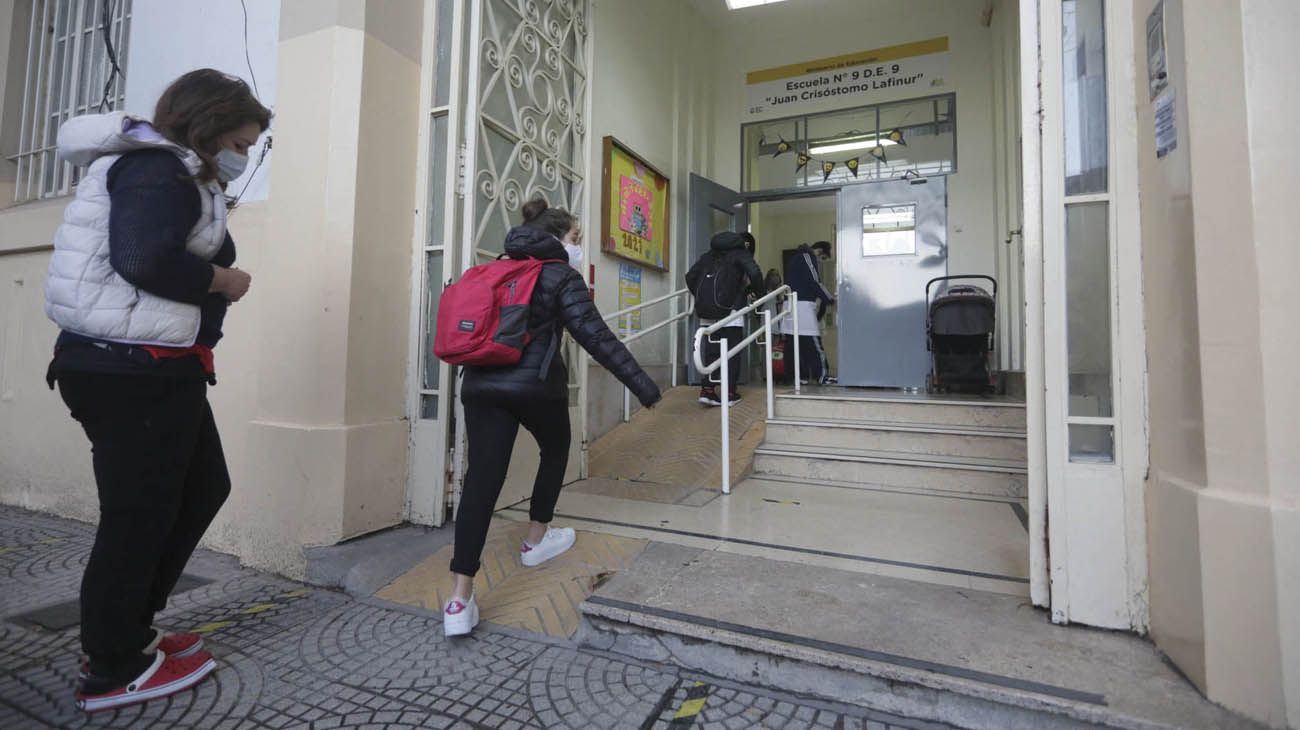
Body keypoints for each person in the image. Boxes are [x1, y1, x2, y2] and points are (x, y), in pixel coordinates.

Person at [43, 69, 271, 711]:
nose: (244, 156)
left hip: (152, 367)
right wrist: (223, 280)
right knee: (137, 515)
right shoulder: (157, 170)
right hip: (129, 371)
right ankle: (111, 667)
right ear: (208, 127)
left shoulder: (173, 173)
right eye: (242, 142)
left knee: (201, 487)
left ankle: (129, 632)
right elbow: (142, 260)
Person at [445, 200, 661, 636]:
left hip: (480, 386)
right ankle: (536, 540)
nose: (578, 247)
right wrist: (644, 387)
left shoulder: (494, 268)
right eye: (576, 239)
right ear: (558, 239)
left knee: (482, 481)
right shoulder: (560, 274)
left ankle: (458, 599)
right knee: (557, 447)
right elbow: (596, 337)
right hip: (533, 388)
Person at [686, 230, 763, 406]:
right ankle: (729, 393)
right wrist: (757, 293)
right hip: (731, 311)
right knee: (732, 352)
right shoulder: (740, 254)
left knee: (712, 352)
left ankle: (708, 391)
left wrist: (704, 297)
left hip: (708, 313)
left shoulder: (707, 256)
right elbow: (755, 273)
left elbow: (690, 277)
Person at [781, 240, 837, 385]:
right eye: (822, 257)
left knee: (794, 344)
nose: (820, 261)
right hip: (801, 306)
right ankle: (822, 376)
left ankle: (798, 377)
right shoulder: (807, 257)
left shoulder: (795, 258)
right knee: (813, 343)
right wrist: (830, 299)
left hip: (790, 305)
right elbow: (814, 281)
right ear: (819, 251)